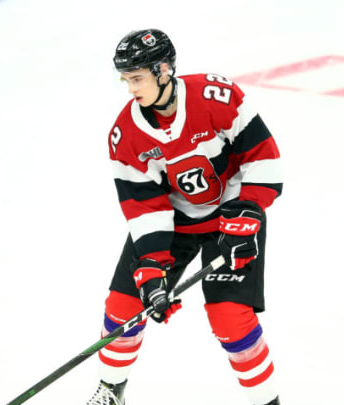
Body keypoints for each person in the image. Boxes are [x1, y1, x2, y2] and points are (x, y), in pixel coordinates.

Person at [86, 29, 283, 405]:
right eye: (125, 79)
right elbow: (144, 207)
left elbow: (264, 158)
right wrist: (152, 266)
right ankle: (111, 390)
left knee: (230, 319)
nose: (130, 89)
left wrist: (248, 213)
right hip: (172, 223)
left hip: (233, 217)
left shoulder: (217, 97)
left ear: (163, 70)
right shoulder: (126, 134)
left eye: (137, 78)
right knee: (124, 306)